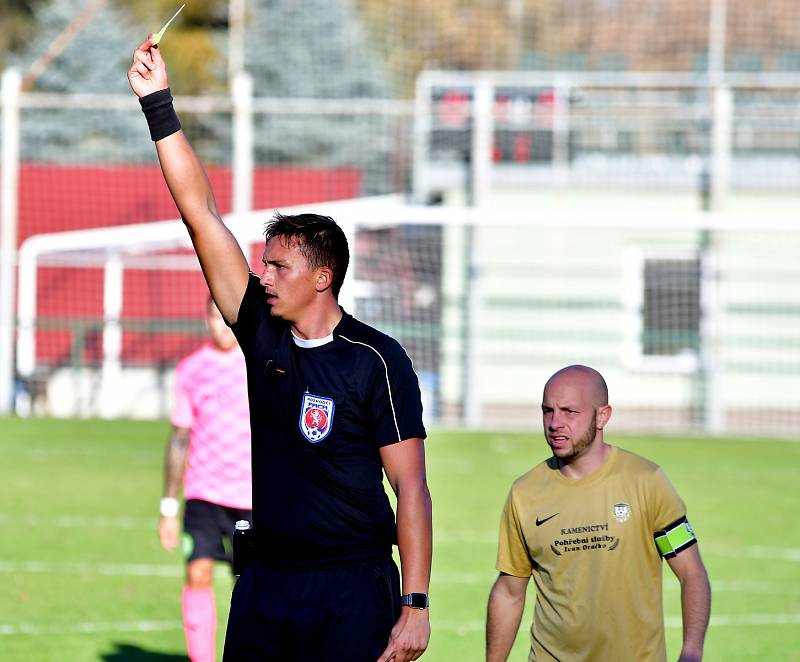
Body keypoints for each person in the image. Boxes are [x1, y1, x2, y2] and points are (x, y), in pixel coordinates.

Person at [129, 35, 432, 662]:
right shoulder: (259, 329)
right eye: (262, 264)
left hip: (354, 584)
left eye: (278, 267)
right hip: (265, 582)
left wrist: (416, 604)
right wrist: (159, 106)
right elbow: (201, 214)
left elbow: (411, 488)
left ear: (322, 277)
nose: (262, 276)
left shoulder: (377, 359)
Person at [486, 365, 711, 662]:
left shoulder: (646, 481)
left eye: (569, 412)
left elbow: (691, 572)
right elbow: (509, 591)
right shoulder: (525, 493)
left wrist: (692, 650)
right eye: (548, 411)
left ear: (602, 416)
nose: (555, 423)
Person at [159, 298, 252, 662]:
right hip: (203, 494)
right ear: (206, 319)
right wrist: (168, 507)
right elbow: (179, 438)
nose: (222, 326)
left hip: (252, 496)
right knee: (197, 572)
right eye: (216, 317)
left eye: (228, 319)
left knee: (251, 588)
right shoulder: (191, 370)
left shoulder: (259, 365)